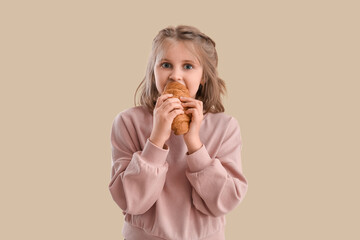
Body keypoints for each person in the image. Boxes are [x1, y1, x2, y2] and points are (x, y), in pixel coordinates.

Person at [109, 25, 248, 240]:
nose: (176, 76)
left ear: (203, 76)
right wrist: (155, 140)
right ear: (153, 71)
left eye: (188, 66)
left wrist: (194, 143)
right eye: (166, 65)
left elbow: (225, 201)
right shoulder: (128, 122)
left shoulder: (225, 127)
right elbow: (131, 201)